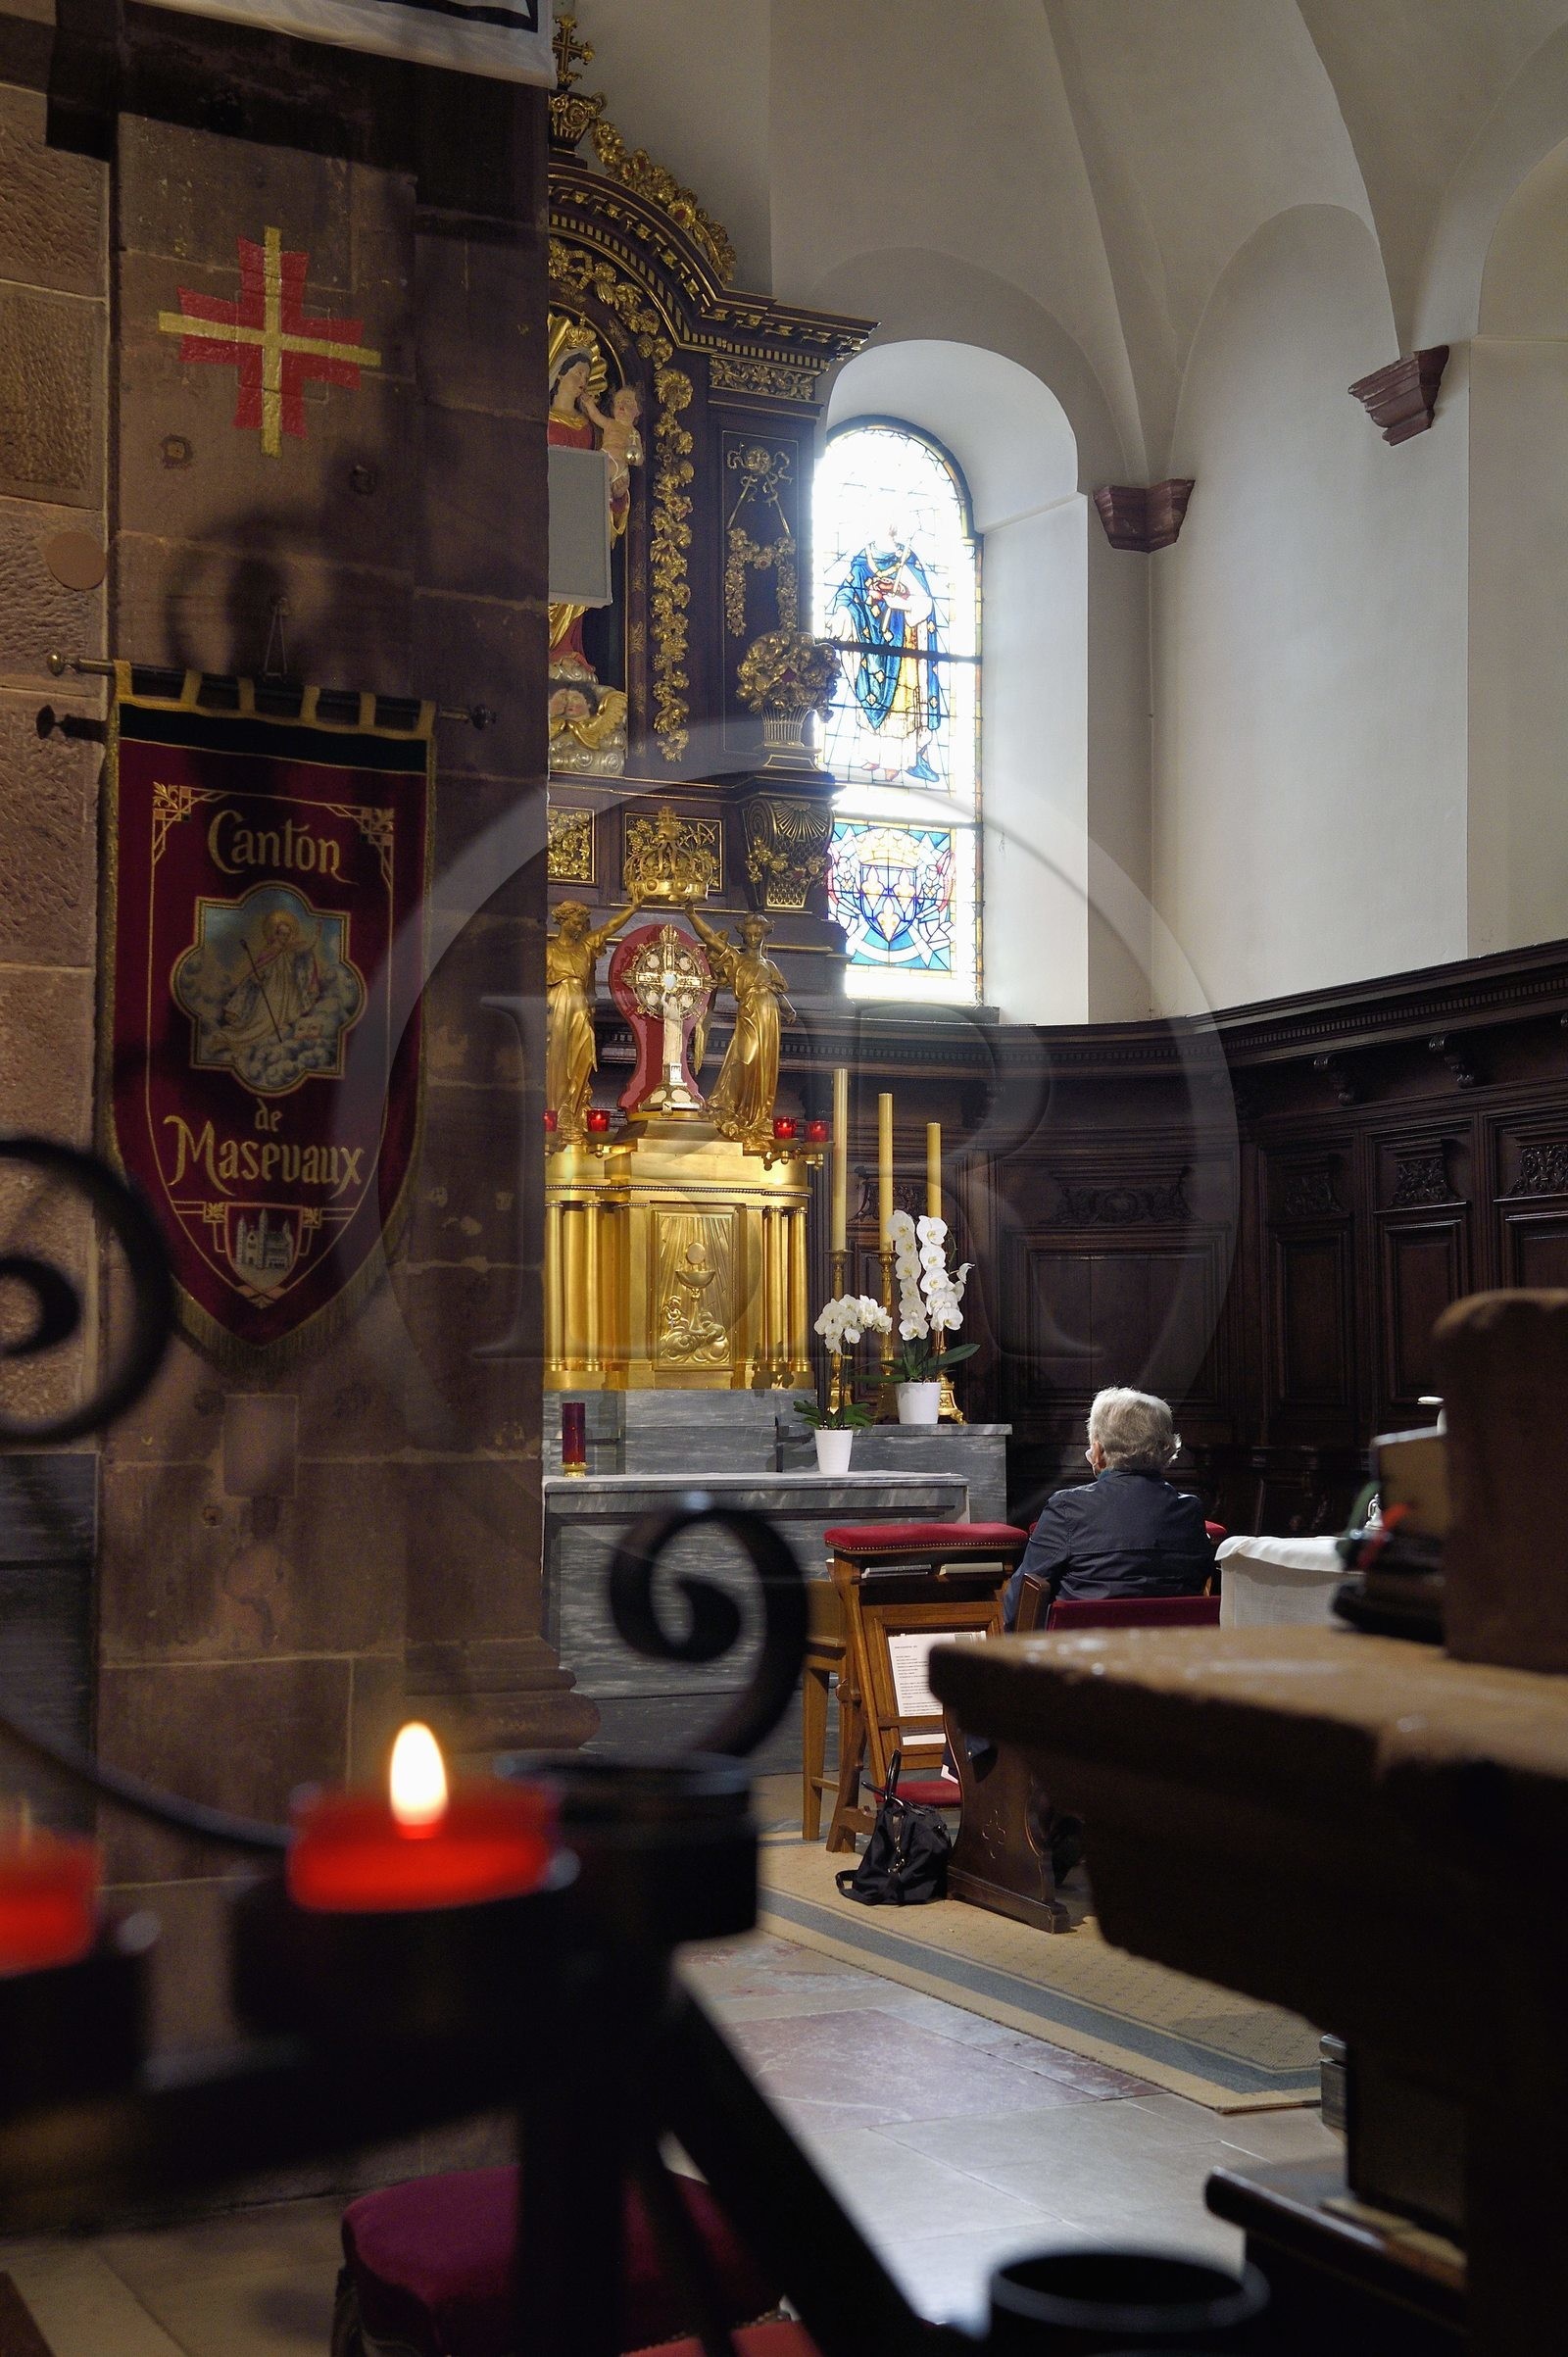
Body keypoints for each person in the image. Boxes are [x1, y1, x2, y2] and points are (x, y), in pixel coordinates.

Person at [1004, 1387, 1214, 1628]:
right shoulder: (1189, 1510)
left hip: (1080, 1659)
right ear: (1166, 1449)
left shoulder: (1067, 1508)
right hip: (1166, 1657)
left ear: (1098, 1450)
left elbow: (1020, 1603)